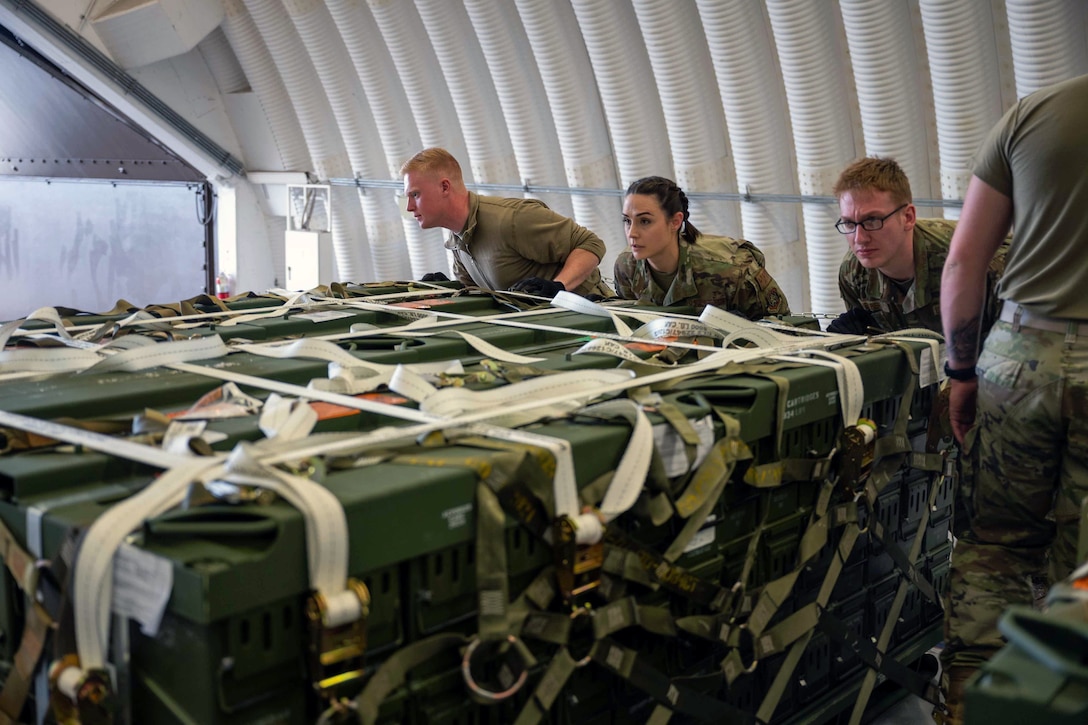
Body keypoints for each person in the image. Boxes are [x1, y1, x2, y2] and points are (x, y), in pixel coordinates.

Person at [938, 73, 1088, 725]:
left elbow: (964, 261)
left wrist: (962, 369)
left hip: (1018, 354)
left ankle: (971, 707)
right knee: (1079, 561)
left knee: (994, 544)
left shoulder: (1036, 112)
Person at [400, 148, 613, 298]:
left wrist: (560, 286)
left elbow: (590, 244)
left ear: (445, 187)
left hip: (594, 318)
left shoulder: (511, 219)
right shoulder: (457, 237)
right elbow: (480, 294)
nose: (409, 207)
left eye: (415, 195)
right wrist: (447, 290)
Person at [830, 156, 1005, 335]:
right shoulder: (854, 273)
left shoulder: (973, 260)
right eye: (850, 224)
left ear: (908, 217)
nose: (859, 238)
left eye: (873, 220)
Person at [613, 176, 789, 319]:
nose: (632, 233)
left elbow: (786, 325)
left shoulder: (731, 268)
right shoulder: (627, 266)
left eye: (645, 221)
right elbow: (630, 322)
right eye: (627, 221)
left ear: (675, 222)